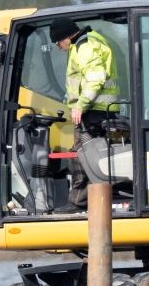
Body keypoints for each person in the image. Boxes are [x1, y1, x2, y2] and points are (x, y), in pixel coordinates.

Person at [49, 16, 119, 212]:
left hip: (93, 112)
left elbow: (94, 79)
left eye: (57, 42)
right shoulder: (86, 44)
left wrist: (80, 105)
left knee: (81, 156)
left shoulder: (85, 46)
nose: (58, 46)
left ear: (66, 37)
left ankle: (78, 203)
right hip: (96, 111)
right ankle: (89, 201)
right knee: (85, 156)